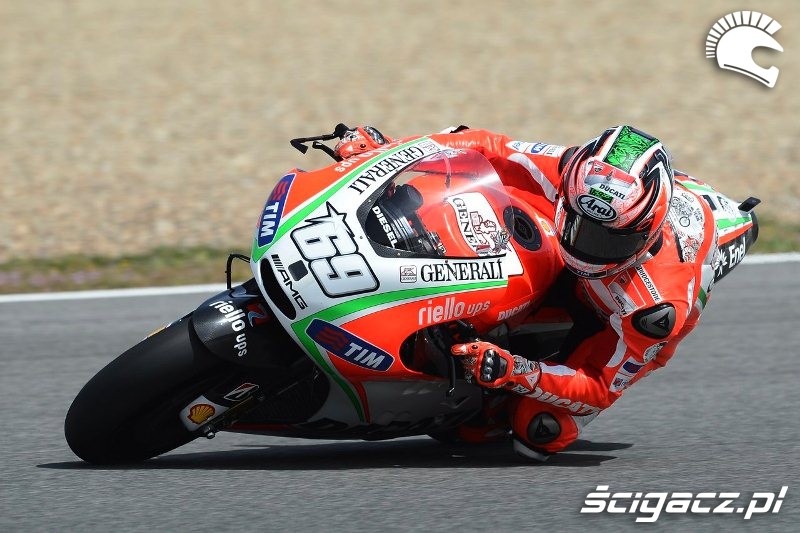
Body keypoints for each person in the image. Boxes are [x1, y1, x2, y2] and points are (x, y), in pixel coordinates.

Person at [334, 124, 759, 461]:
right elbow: (482, 145)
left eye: (605, 240)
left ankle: (495, 404)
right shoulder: (575, 170)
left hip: (610, 314)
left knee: (538, 430)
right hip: (585, 227)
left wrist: (514, 370)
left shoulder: (656, 308)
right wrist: (384, 154)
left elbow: (599, 386)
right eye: (578, 224)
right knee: (480, 188)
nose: (585, 248)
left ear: (645, 232)